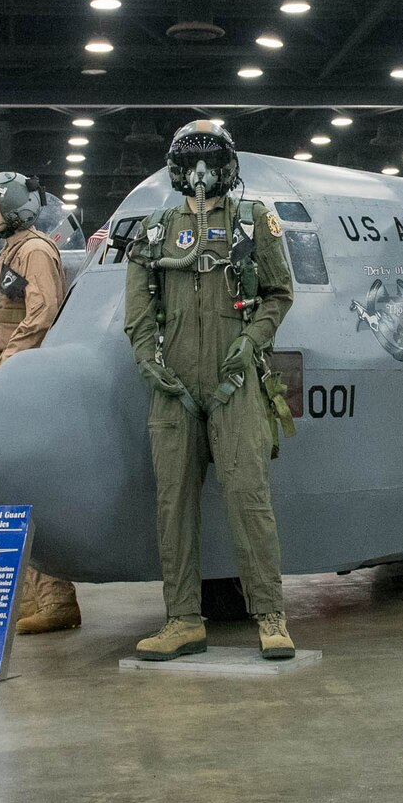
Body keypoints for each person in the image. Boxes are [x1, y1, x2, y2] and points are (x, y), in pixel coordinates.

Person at [123, 119, 296, 661]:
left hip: (236, 382)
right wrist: (148, 361)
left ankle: (270, 614)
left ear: (227, 166)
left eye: (211, 159)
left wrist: (252, 340)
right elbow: (139, 312)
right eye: (191, 159)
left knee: (249, 497)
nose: (201, 172)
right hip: (173, 389)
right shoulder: (154, 231)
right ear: (177, 168)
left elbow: (278, 293)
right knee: (173, 505)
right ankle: (182, 620)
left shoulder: (253, 223)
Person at [0, 170, 77, 633]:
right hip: (0, 382)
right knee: (7, 494)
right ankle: (39, 597)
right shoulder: (4, 257)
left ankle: (57, 598)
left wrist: (7, 365)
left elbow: (42, 313)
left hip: (20, 384)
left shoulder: (35, 251)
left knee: (28, 493)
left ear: (16, 203)